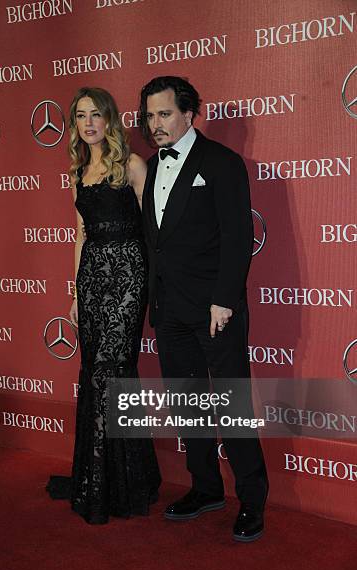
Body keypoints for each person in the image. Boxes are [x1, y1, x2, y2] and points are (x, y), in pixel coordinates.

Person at [139, 76, 268, 542]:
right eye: (150, 115)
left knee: (232, 407)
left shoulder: (222, 162)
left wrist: (224, 300)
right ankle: (206, 487)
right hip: (170, 309)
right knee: (188, 406)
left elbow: (237, 237)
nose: (156, 123)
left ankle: (252, 500)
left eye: (165, 113)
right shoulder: (152, 167)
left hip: (216, 310)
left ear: (189, 114)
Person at [46, 87, 161, 524]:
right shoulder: (78, 171)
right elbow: (79, 235)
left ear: (110, 119)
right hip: (92, 277)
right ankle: (99, 477)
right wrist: (76, 293)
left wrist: (150, 283)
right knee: (94, 371)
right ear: (74, 124)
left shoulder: (132, 165)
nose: (88, 123)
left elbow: (154, 230)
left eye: (96, 114)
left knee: (114, 371)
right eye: (80, 116)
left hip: (128, 274)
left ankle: (127, 482)